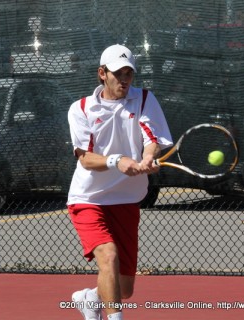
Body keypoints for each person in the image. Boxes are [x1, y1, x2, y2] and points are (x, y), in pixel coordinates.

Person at [67, 44, 173, 320]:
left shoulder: (144, 99)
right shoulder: (81, 108)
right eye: (118, 73)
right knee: (108, 256)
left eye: (129, 73)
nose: (124, 79)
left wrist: (147, 157)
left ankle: (91, 298)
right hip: (88, 199)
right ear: (102, 73)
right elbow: (86, 159)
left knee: (124, 289)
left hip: (127, 200)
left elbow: (153, 141)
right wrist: (119, 161)